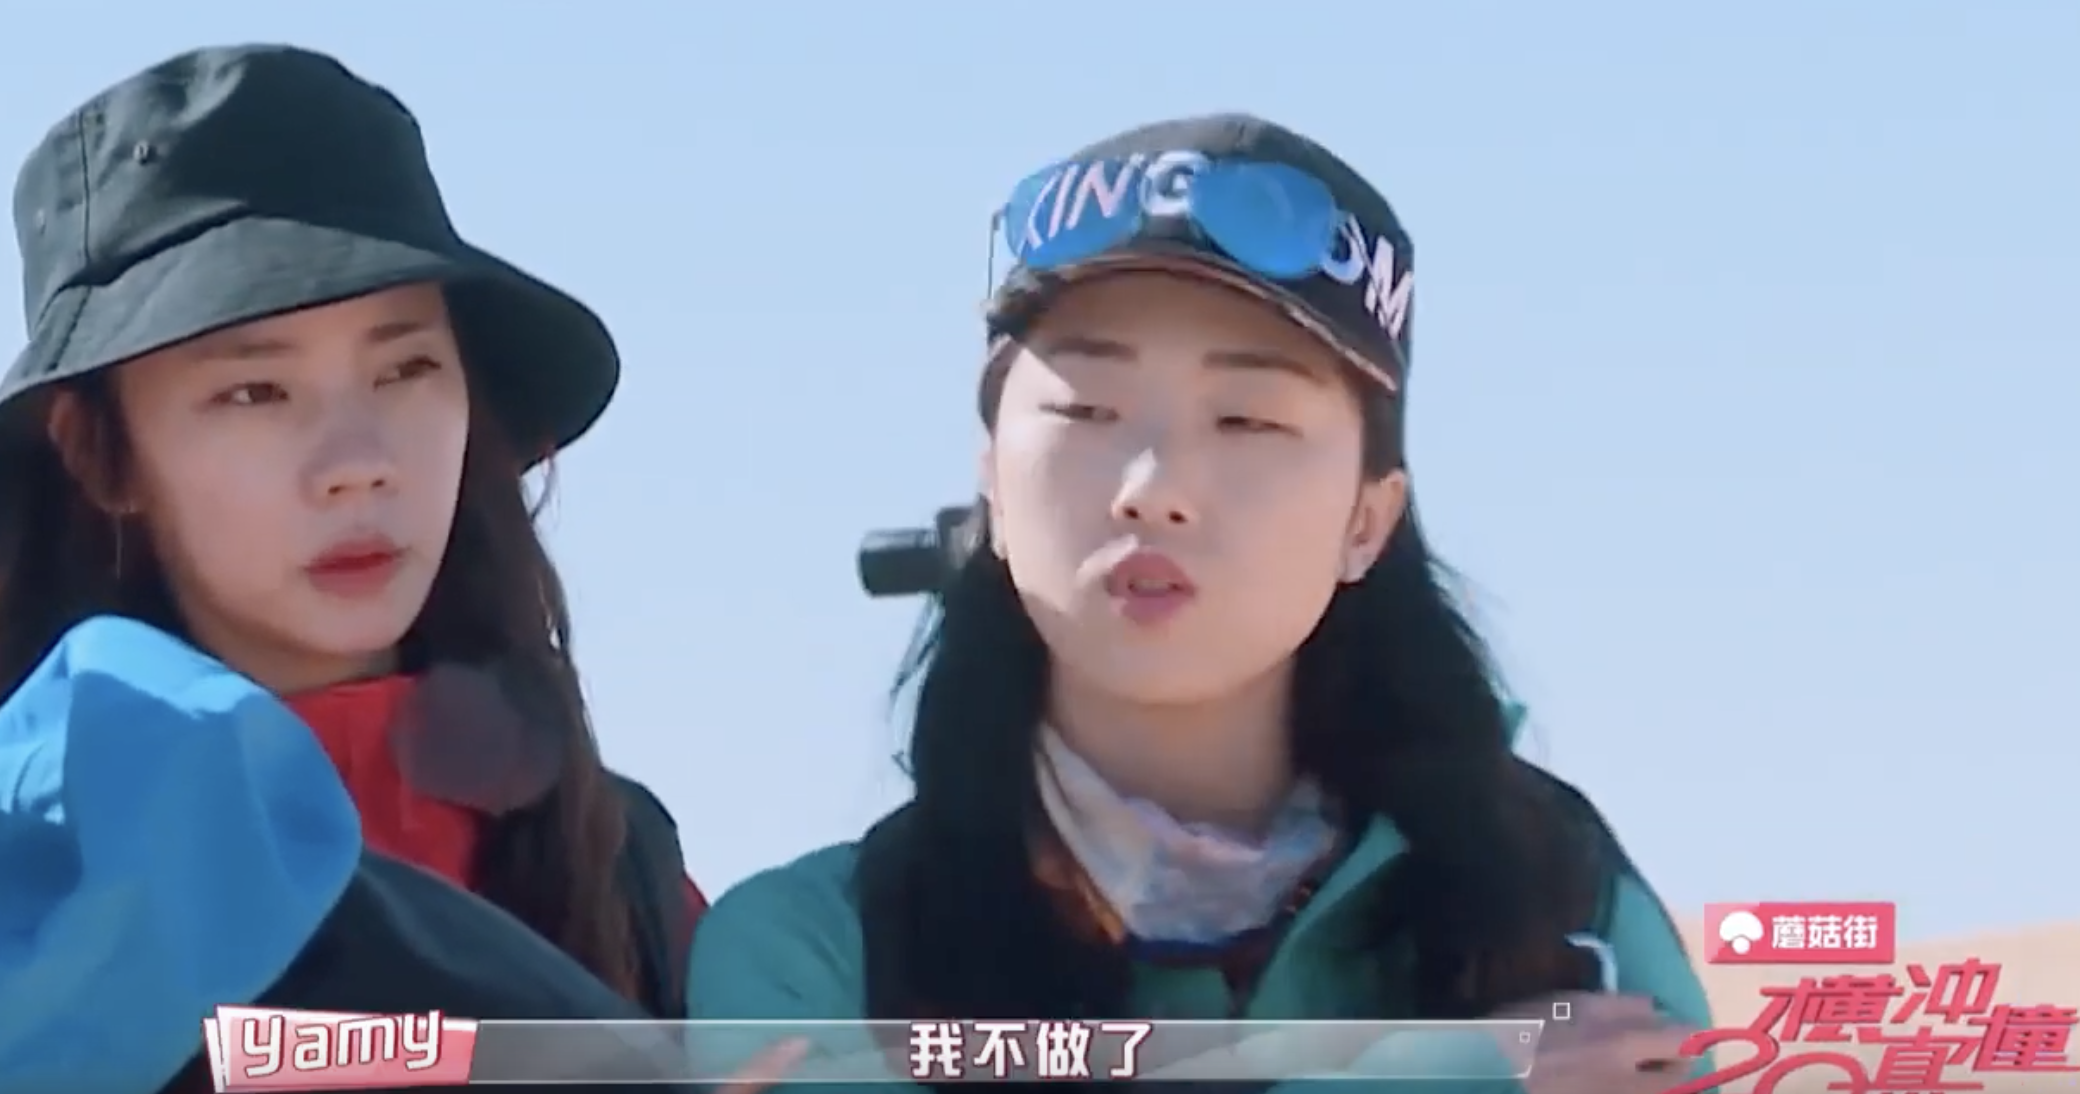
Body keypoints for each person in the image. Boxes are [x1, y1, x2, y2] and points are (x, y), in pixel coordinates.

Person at [687, 115, 1713, 1092]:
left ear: (1368, 519)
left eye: (1247, 420)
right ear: (992, 476)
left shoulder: (1554, 898)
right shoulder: (817, 952)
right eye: (1087, 408)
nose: (1153, 486)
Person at [0, 45, 725, 1093]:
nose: (360, 463)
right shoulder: (41, 870)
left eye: (406, 367)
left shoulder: (623, 870)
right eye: (255, 392)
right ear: (100, 453)